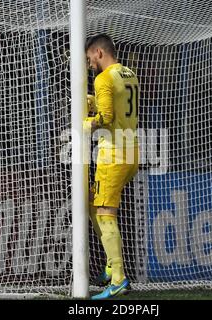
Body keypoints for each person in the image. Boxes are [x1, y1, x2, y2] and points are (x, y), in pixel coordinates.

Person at [84, 34, 139, 300]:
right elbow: (116, 105)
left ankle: (118, 279)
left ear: (98, 52)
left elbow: (106, 117)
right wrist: (94, 103)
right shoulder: (129, 73)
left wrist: (85, 123)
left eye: (89, 58)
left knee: (105, 213)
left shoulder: (103, 78)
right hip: (132, 151)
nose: (89, 63)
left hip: (113, 153)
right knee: (97, 207)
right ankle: (110, 264)